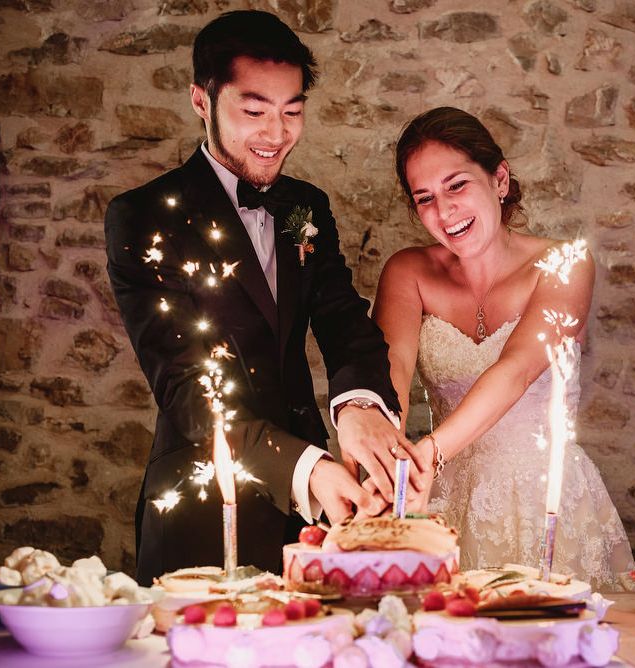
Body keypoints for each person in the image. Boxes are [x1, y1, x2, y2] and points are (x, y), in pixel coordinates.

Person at [105, 10, 427, 586]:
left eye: (292, 111)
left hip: (307, 520)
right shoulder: (142, 216)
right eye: (254, 111)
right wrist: (308, 469)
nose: (276, 135)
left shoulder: (307, 207)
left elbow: (343, 321)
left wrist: (360, 410)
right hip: (203, 508)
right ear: (202, 100)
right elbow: (186, 389)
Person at [373, 106, 635, 589]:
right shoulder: (407, 271)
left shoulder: (566, 262)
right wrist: (385, 460)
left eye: (457, 185)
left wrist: (428, 453)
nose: (445, 211)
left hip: (547, 494)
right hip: (442, 497)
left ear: (499, 179)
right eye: (425, 198)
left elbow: (515, 369)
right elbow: (392, 367)